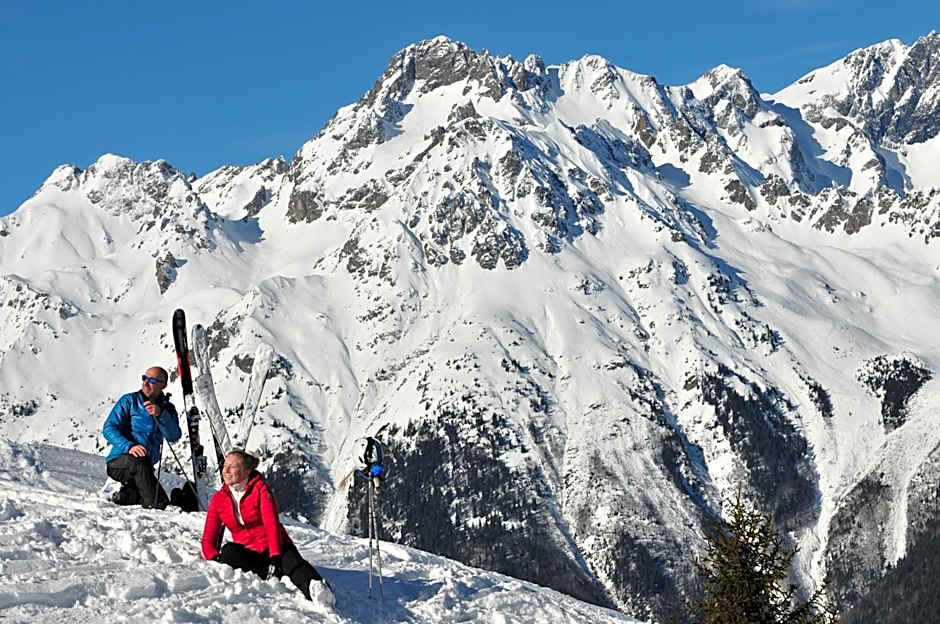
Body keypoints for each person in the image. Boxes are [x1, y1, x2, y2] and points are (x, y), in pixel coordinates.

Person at [202, 449, 335, 606]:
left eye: (232, 466)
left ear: (246, 471)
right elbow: (208, 538)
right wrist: (214, 557)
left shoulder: (260, 490)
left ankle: (317, 589)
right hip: (251, 553)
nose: (225, 471)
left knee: (292, 563)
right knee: (229, 552)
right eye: (225, 466)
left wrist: (275, 555)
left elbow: (271, 524)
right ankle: (268, 572)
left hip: (277, 546)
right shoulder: (219, 499)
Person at [102, 366, 181, 509]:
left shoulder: (167, 409)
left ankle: (119, 494)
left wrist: (161, 415)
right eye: (144, 378)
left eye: (151, 380)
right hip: (120, 461)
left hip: (144, 467)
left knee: (139, 490)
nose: (145, 383)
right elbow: (109, 428)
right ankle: (158, 506)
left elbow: (173, 435)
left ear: (163, 385)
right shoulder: (130, 401)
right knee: (140, 465)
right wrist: (129, 446)